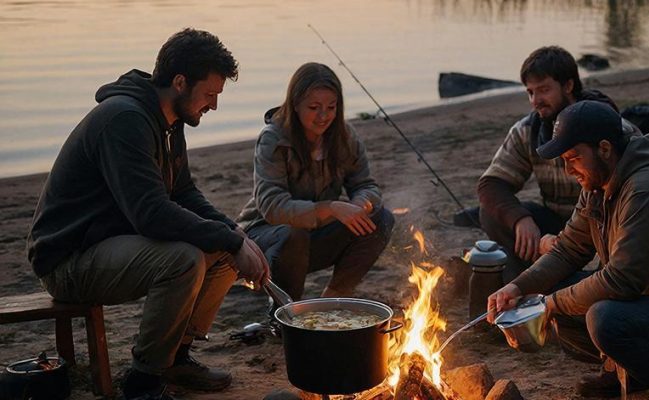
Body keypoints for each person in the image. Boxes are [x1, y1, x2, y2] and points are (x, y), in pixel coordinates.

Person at [26, 29, 270, 400]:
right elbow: (151, 215)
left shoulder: (170, 121)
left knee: (222, 247)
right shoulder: (124, 120)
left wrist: (232, 231)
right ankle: (144, 382)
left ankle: (176, 358)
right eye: (210, 95)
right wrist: (230, 238)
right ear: (179, 82)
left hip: (113, 244)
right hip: (68, 259)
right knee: (183, 259)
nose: (213, 106)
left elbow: (183, 193)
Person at [486, 101, 649, 400]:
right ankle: (624, 371)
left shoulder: (647, 190)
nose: (568, 169)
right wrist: (518, 287)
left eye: (573, 158)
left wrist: (549, 304)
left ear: (605, 149)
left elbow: (622, 281)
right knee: (557, 293)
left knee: (603, 317)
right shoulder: (597, 185)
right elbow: (568, 250)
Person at [236, 62, 394, 310]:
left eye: (331, 107)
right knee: (293, 233)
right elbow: (272, 207)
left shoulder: (344, 137)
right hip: (265, 239)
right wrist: (330, 208)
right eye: (314, 107)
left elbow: (366, 185)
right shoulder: (273, 140)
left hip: (315, 237)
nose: (324, 116)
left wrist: (360, 204)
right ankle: (284, 310)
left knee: (380, 220)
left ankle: (329, 301)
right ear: (296, 104)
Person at [477, 45, 622, 280]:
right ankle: (526, 280)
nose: (536, 100)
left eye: (543, 90)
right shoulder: (528, 131)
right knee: (490, 212)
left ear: (568, 85)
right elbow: (490, 185)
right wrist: (519, 219)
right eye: (530, 92)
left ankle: (597, 279)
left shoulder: (605, 125)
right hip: (557, 219)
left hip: (602, 218)